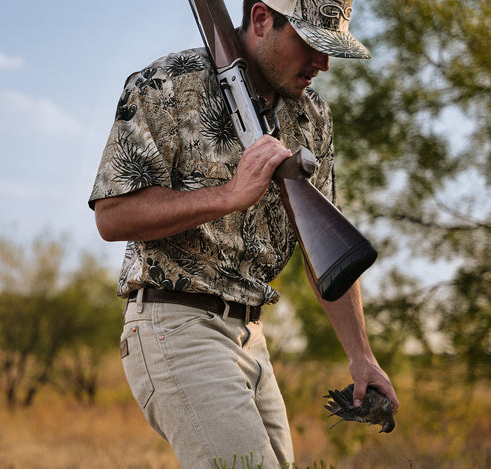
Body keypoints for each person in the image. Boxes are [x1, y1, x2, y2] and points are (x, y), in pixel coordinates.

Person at [88, 0, 399, 467]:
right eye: (311, 43)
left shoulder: (312, 117)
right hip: (177, 323)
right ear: (260, 20)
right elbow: (111, 216)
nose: (324, 63)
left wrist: (362, 356)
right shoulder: (167, 84)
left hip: (252, 336)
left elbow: (325, 253)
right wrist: (229, 195)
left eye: (330, 48)